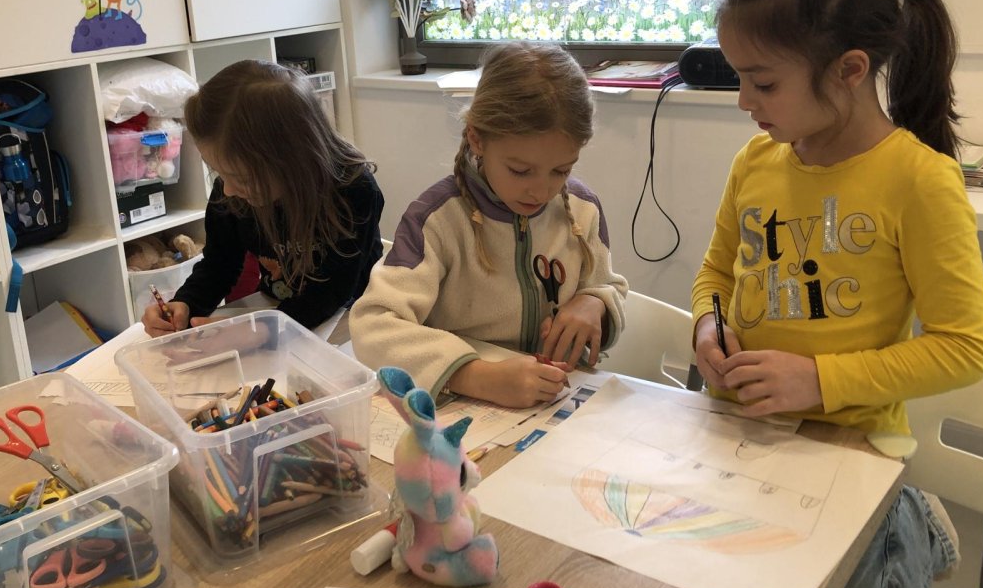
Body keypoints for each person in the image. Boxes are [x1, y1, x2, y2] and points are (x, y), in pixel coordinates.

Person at [691, 0, 983, 588]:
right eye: (739, 78)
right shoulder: (756, 161)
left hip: (851, 446)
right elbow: (715, 275)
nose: (744, 101)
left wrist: (819, 380)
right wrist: (707, 325)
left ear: (850, 69)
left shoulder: (919, 180)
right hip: (740, 433)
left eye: (764, 83)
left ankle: (908, 528)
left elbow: (965, 348)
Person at [350, 43, 628, 409]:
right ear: (477, 139)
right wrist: (474, 375)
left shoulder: (581, 209)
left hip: (558, 402)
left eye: (561, 170)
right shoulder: (438, 219)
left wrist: (595, 303)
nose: (542, 191)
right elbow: (372, 323)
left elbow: (607, 286)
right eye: (520, 170)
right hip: (465, 404)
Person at [141, 59, 384, 337]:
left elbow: (332, 292)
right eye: (219, 172)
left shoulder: (354, 191)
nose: (227, 190)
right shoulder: (234, 192)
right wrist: (186, 303)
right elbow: (219, 265)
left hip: (354, 319)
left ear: (294, 160)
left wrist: (260, 332)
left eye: (242, 178)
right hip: (280, 311)